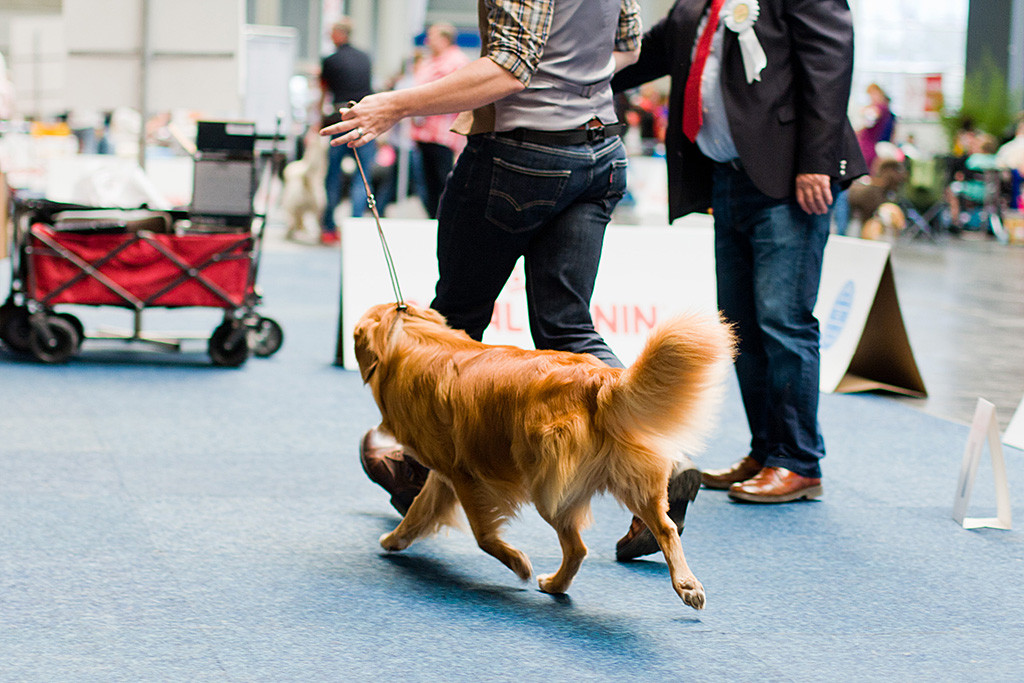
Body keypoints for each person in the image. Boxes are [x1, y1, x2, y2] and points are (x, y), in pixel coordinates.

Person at [323, 0, 702, 561]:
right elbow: (628, 45)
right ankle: (658, 459)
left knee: (451, 321)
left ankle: (419, 470)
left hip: (518, 157)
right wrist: (572, 79)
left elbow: (509, 67)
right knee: (568, 326)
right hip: (598, 149)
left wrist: (393, 106)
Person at [612, 0, 867, 504]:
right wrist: (570, 72)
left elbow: (830, 64)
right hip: (729, 179)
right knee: (741, 324)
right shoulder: (696, 4)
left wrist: (817, 161)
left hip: (791, 178)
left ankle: (797, 462)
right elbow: (649, 54)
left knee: (783, 320)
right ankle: (766, 450)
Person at [319, 17, 375, 246]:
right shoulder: (366, 57)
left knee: (333, 176)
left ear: (339, 34)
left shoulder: (330, 60)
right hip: (364, 120)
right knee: (362, 177)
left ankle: (329, 228)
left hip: (340, 120)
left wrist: (318, 121)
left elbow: (324, 94)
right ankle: (357, 227)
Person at [409, 23, 471, 218]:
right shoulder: (430, 60)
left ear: (444, 39)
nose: (428, 41)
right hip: (424, 133)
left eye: (432, 37)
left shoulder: (456, 61)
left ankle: (443, 220)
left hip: (443, 134)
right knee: (427, 184)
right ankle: (433, 220)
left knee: (442, 181)